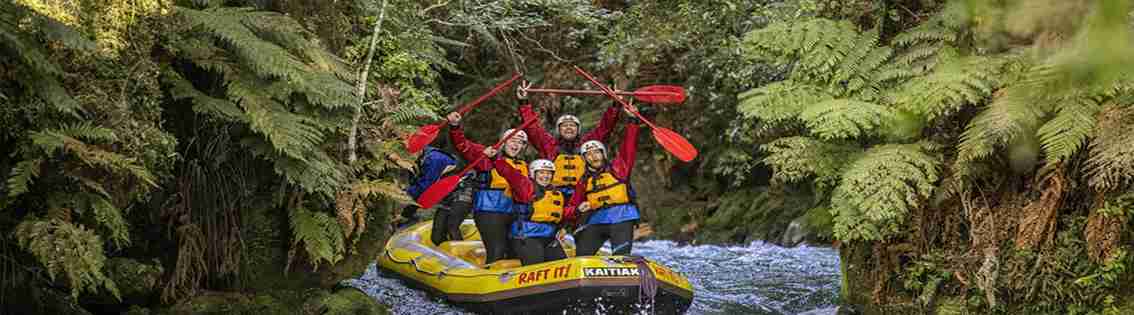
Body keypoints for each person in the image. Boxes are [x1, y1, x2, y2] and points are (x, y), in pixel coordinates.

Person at [516, 82, 624, 200]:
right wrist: (524, 102)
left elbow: (606, 127)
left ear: (578, 130)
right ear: (558, 130)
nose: (568, 128)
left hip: (583, 195)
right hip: (555, 195)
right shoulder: (549, 145)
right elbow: (532, 128)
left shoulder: (587, 144)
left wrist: (616, 104)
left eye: (572, 125)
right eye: (564, 126)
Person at [447, 111, 529, 265]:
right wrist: (455, 127)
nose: (515, 144)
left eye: (520, 142)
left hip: (512, 214)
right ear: (503, 142)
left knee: (515, 253)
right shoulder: (486, 158)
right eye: (512, 140)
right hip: (489, 212)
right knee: (497, 251)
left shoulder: (525, 166)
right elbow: (463, 146)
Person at [564, 105, 642, 257]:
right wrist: (578, 210)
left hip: (622, 217)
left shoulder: (620, 168)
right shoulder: (584, 181)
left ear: (603, 154)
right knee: (582, 254)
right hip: (597, 220)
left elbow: (629, 145)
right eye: (589, 154)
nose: (594, 156)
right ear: (585, 159)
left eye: (597, 152)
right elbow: (571, 207)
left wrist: (633, 120)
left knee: (621, 256)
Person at [488, 156, 568, 266]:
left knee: (563, 265)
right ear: (533, 174)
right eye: (541, 173)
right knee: (536, 265)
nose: (545, 176)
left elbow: (560, 215)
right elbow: (510, 173)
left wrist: (564, 227)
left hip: (549, 237)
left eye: (549, 173)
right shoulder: (525, 187)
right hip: (526, 237)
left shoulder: (556, 193)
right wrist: (495, 159)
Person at [399, 144, 458, 229]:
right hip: (438, 187)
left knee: (444, 226)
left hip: (456, 192)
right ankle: (406, 217)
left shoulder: (434, 159)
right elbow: (416, 182)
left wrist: (404, 193)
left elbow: (424, 186)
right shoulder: (421, 155)